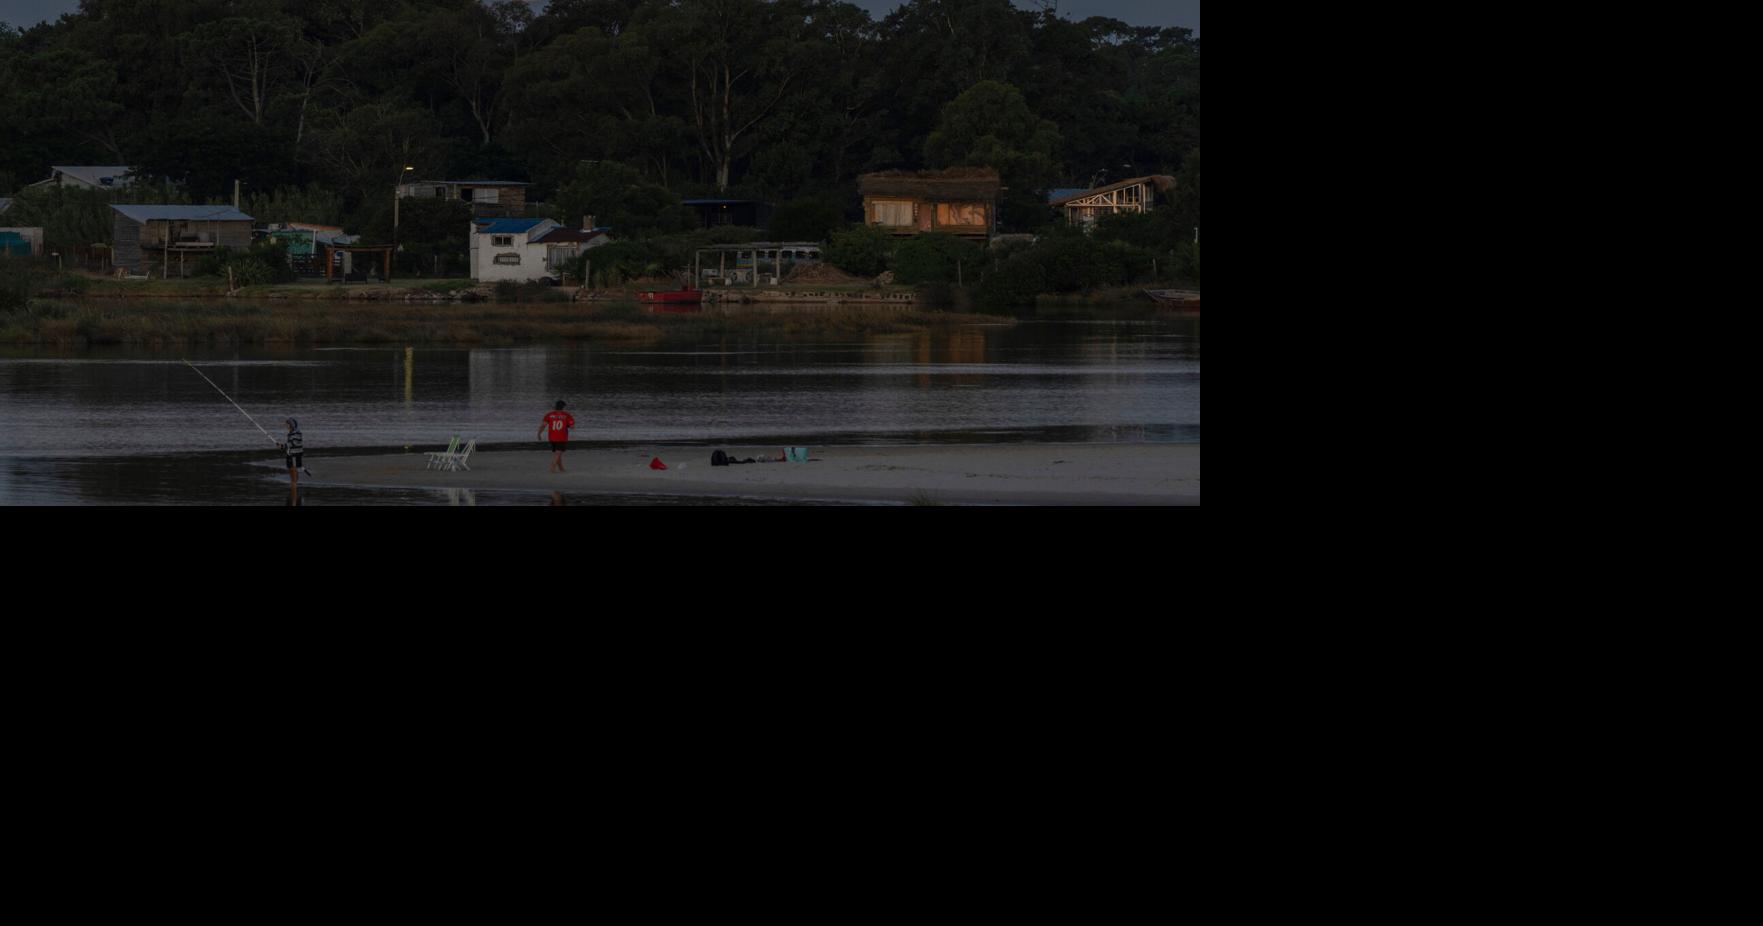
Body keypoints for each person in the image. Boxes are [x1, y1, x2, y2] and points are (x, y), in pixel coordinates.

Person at [538, 400, 575, 473]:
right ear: (563, 407)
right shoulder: (567, 415)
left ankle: (561, 468)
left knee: (557, 453)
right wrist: (567, 425)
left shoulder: (549, 414)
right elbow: (572, 426)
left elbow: (543, 425)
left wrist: (539, 434)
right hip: (561, 437)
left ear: (555, 406)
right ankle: (552, 468)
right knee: (558, 453)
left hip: (551, 437)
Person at [275, 417, 305, 488]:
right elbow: (290, 445)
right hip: (290, 454)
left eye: (287, 424)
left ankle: (294, 486)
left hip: (295, 455)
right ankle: (294, 484)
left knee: (294, 470)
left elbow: (293, 443)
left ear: (291, 425)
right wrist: (282, 446)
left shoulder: (296, 433)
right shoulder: (291, 433)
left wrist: (283, 446)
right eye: (286, 424)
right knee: (291, 470)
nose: (286, 426)